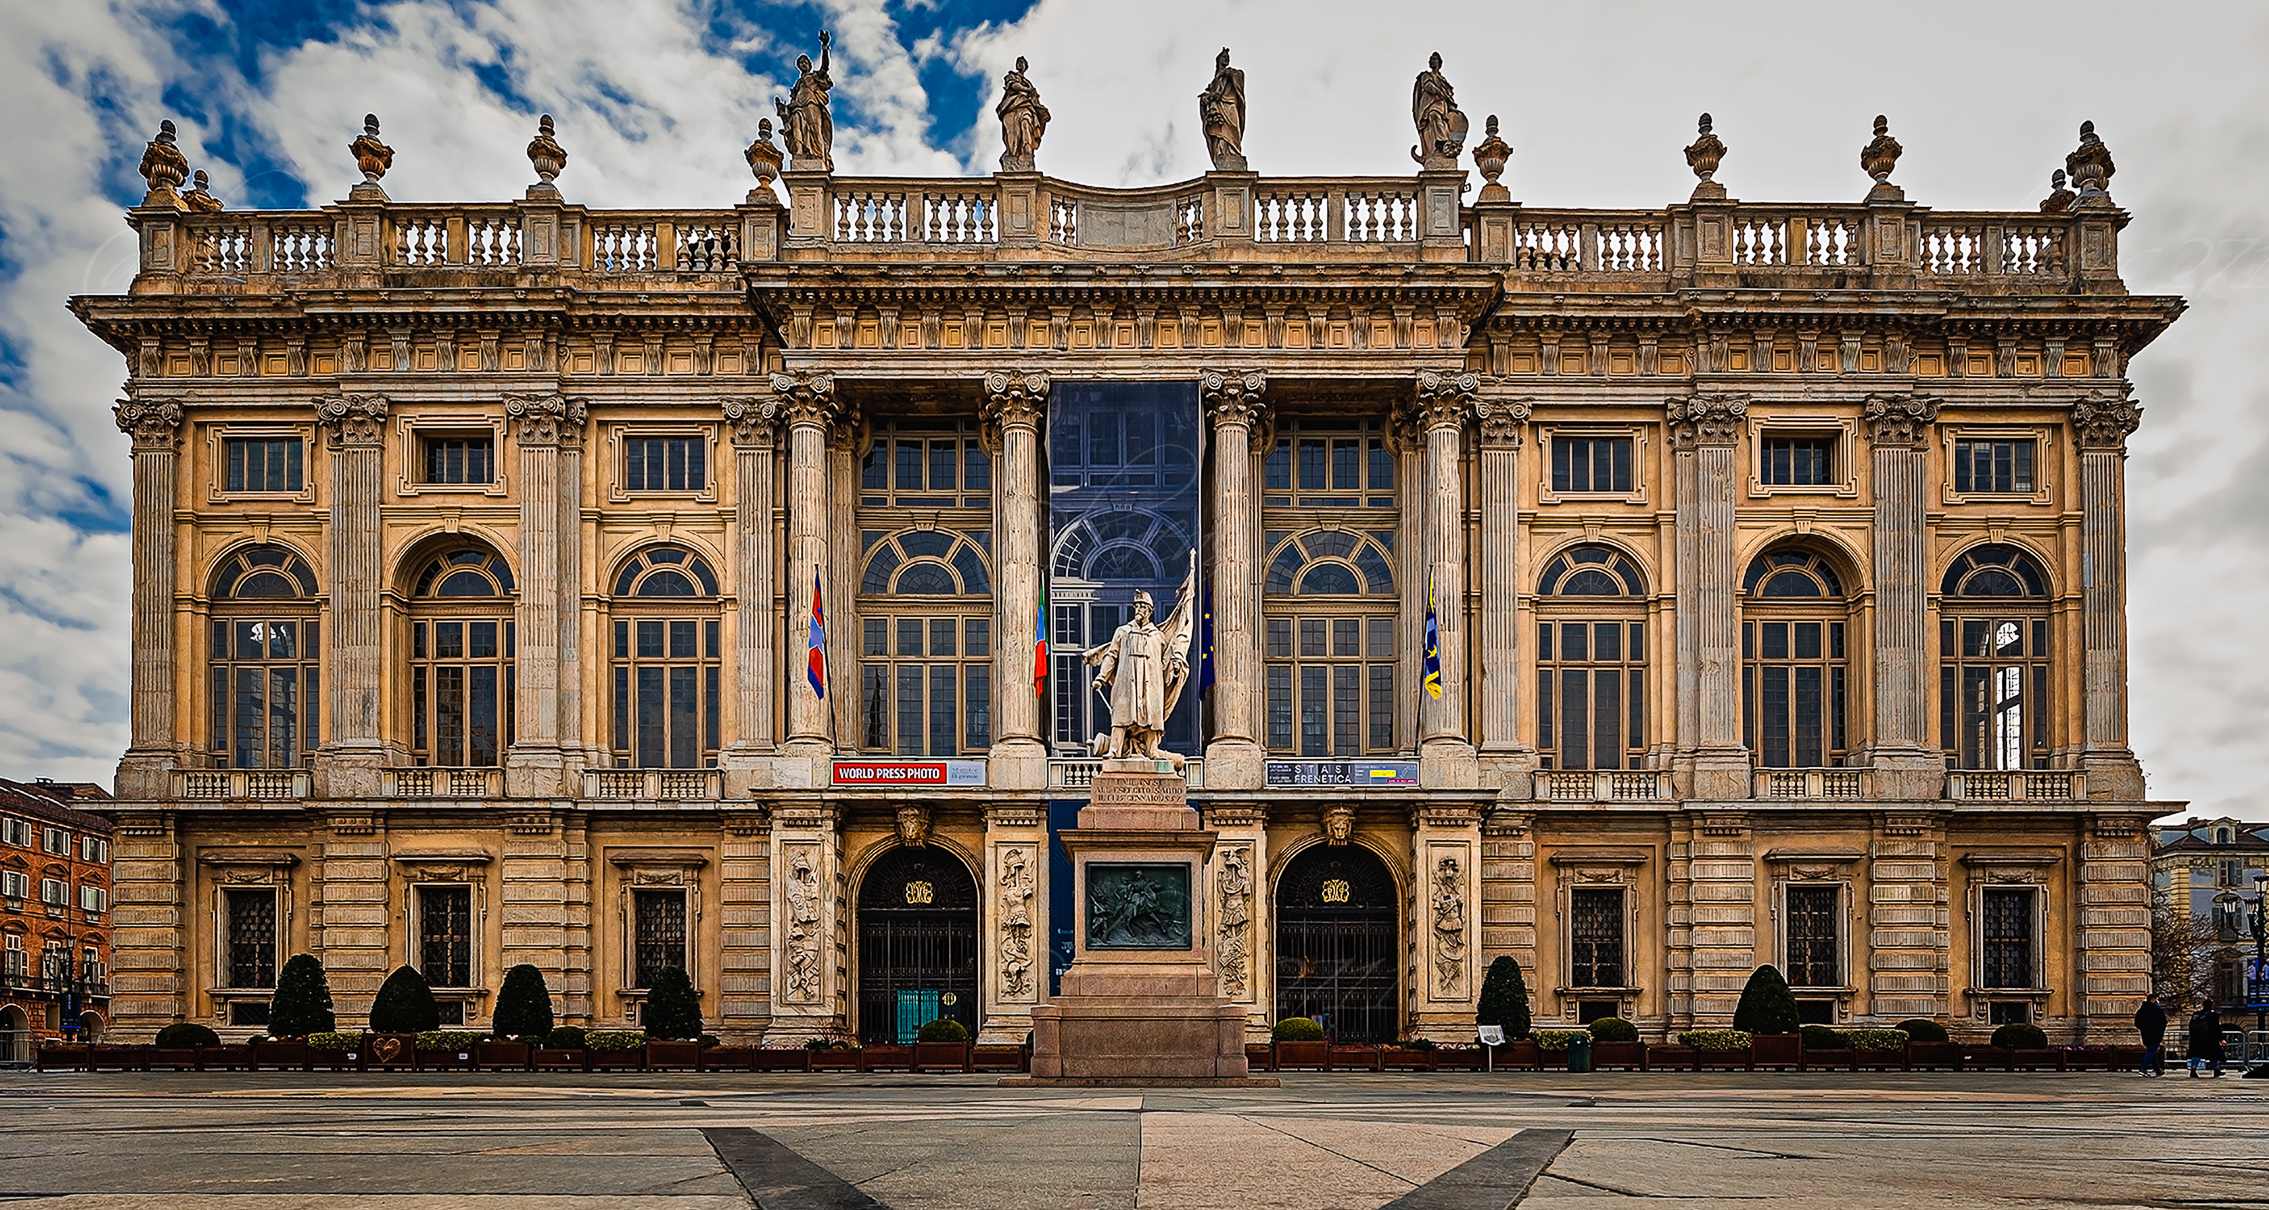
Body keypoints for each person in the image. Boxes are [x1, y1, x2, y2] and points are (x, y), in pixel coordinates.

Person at [2187, 1001, 2225, 1078]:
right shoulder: (2213, 1015)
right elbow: (2216, 1028)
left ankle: (2193, 1070)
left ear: (2203, 1005)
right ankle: (2216, 1070)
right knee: (2214, 1055)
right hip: (2210, 1039)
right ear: (2211, 1006)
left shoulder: (2196, 1014)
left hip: (2196, 1039)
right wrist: (2221, 1039)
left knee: (2196, 1054)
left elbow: (2190, 1026)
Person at [2133, 993, 2166, 1076]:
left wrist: (2143, 1028)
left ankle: (2157, 1070)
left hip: (2145, 1034)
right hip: (2155, 1034)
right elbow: (2163, 1022)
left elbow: (2137, 1022)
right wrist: (2160, 1032)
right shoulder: (2157, 1009)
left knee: (2151, 1051)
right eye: (2156, 999)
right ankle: (2143, 1068)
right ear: (2153, 1000)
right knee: (2151, 1051)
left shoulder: (2142, 1010)